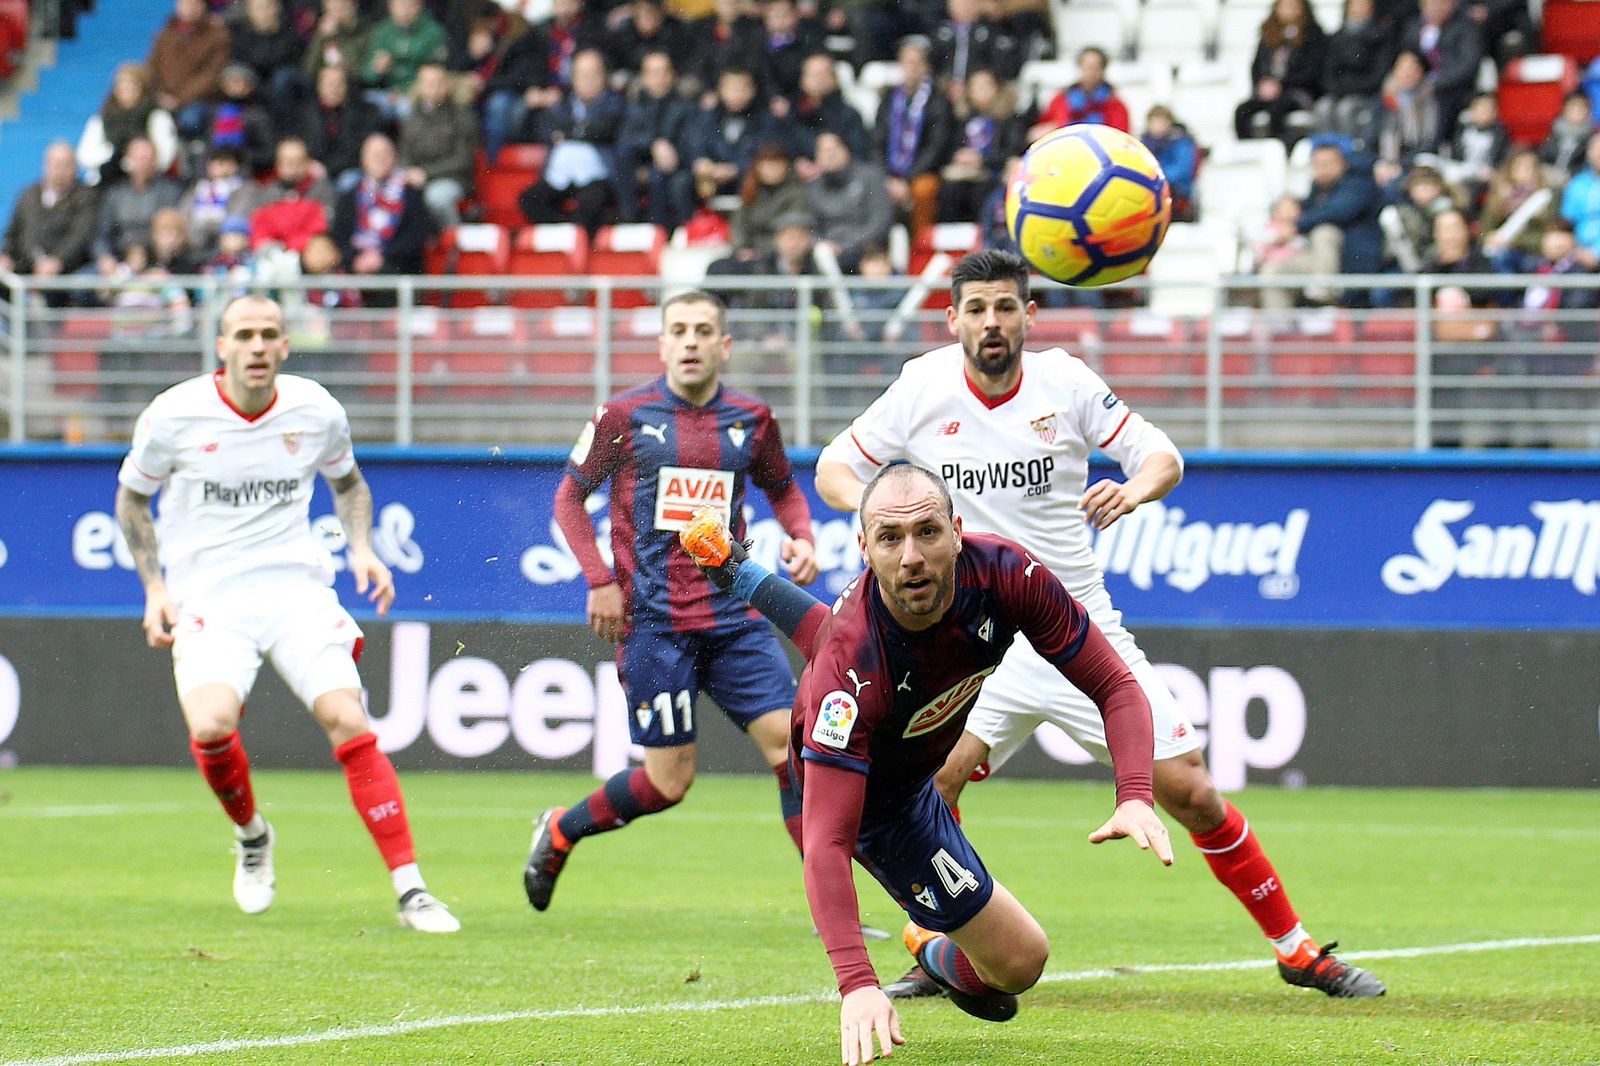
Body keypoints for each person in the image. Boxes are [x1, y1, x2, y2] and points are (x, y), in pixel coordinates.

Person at [814, 250, 1388, 1002]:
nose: (992, 322)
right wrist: (884, 517)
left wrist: (1135, 488)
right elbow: (833, 467)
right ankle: (937, 942)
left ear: (1029, 315)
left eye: (1006, 307)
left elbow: (1162, 455)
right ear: (952, 319)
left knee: (1192, 791)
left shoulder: (1067, 382)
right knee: (933, 782)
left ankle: (1295, 948)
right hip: (970, 638)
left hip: (1067, 621)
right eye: (977, 309)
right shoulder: (922, 386)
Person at [676, 463, 1170, 1063]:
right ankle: (929, 941)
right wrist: (857, 984)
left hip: (916, 751)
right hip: (877, 799)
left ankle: (733, 569)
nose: (912, 556)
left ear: (957, 533)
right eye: (890, 538)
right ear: (865, 549)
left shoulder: (1008, 573)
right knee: (1019, 964)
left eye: (928, 532)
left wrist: (1135, 793)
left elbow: (1116, 685)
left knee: (1018, 965)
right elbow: (826, 841)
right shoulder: (849, 673)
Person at [113, 293, 459, 933]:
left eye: (268, 334)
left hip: (294, 588)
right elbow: (132, 500)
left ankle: (412, 889)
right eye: (244, 335)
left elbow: (348, 483)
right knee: (211, 725)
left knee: (346, 717)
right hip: (209, 595)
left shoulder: (315, 409)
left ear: (285, 345)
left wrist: (362, 548)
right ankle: (252, 836)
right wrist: (155, 588)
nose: (257, 346)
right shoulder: (174, 415)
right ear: (222, 346)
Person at [522, 290, 821, 914]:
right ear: (661, 344)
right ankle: (561, 829)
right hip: (653, 626)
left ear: (724, 345)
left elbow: (784, 488)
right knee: (668, 782)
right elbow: (569, 499)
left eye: (703, 330)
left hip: (734, 618)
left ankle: (830, 905)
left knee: (794, 749)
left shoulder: (752, 418)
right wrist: (600, 580)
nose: (691, 341)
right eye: (679, 330)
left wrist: (802, 535)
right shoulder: (623, 415)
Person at [0, 142, 100, 288]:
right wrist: (6, 256)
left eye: (65, 164)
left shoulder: (86, 197)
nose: (59, 170)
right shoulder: (28, 196)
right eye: (55, 164)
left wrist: (57, 260)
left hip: (67, 273)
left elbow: (80, 235)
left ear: (75, 168)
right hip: (27, 267)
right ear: (45, 166)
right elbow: (12, 233)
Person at [1233, 0, 1326, 146]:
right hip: (1269, 93)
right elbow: (1256, 67)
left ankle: (1278, 149)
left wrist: (1280, 85)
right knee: (1242, 111)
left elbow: (1312, 71)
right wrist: (1262, 84)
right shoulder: (1268, 35)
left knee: (1277, 110)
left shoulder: (1313, 36)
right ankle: (1248, 149)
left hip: (1297, 92)